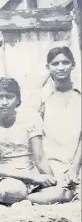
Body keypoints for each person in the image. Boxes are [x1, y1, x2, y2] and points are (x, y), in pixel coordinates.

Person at [0, 77, 77, 205]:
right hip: (5, 179)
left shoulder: (30, 119)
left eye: (9, 97)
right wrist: (31, 177)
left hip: (31, 177)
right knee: (16, 189)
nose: (4, 102)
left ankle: (20, 201)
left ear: (17, 100)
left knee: (64, 192)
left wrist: (51, 181)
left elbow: (40, 158)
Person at [29, 46, 81, 202]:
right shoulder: (40, 98)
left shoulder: (79, 95)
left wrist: (74, 169)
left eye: (65, 62)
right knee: (58, 195)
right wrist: (51, 176)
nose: (61, 67)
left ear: (73, 65)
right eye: (55, 63)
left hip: (77, 162)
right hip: (50, 165)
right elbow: (35, 143)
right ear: (48, 67)